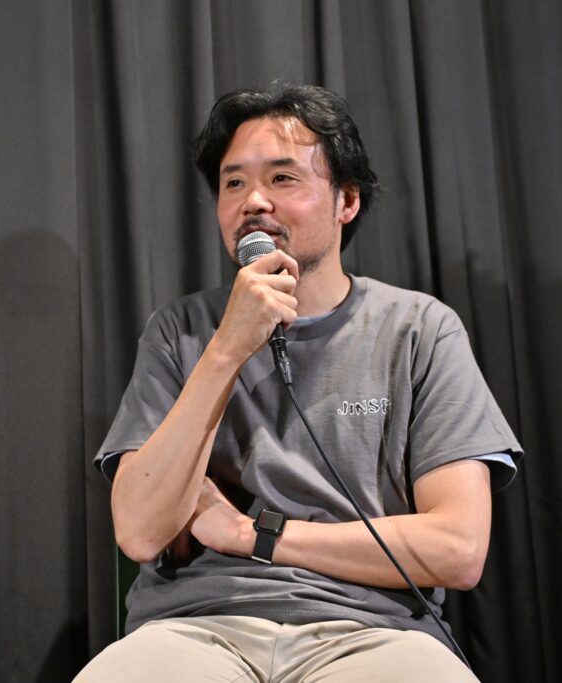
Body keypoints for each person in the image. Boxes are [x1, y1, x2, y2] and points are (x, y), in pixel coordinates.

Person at [76, 84, 522, 682]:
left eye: (283, 178)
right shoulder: (180, 331)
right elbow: (138, 531)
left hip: (372, 633)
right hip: (197, 627)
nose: (253, 201)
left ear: (347, 201)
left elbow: (458, 550)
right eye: (234, 183)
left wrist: (250, 535)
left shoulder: (420, 329)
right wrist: (228, 347)